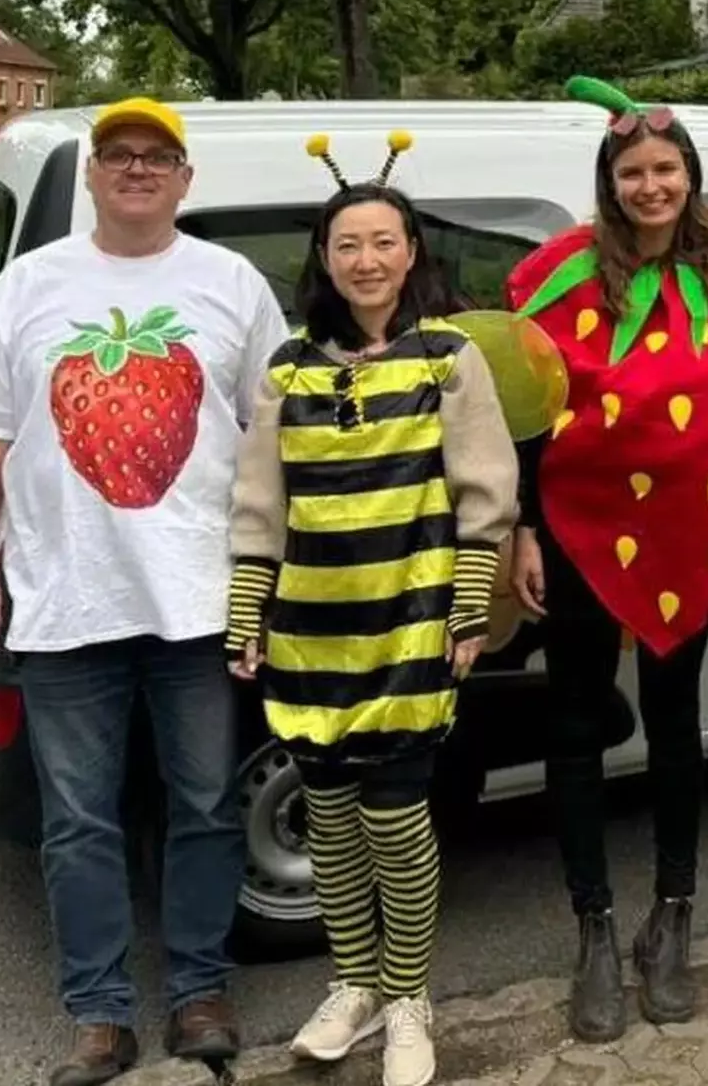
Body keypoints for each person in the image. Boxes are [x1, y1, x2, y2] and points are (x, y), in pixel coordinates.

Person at [0, 98, 289, 1086]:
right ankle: (99, 1014)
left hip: (200, 601)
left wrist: (274, 574)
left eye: (158, 157)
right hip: (63, 602)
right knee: (77, 818)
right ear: (93, 174)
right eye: (119, 154)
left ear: (185, 179)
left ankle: (199, 992)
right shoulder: (28, 287)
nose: (138, 169)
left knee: (207, 804)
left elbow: (271, 439)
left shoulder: (233, 285)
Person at [504, 77, 708, 1043]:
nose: (650, 185)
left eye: (666, 168)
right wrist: (523, 528)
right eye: (632, 171)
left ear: (691, 177)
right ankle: (591, 925)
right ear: (609, 181)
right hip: (580, 534)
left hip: (692, 537)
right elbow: (525, 415)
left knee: (677, 728)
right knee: (578, 726)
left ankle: (674, 916)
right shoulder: (560, 281)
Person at [224, 139, 519, 1086]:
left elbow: (486, 495)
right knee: (334, 821)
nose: (366, 260)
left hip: (409, 627)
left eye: (383, 241)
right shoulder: (289, 369)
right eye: (347, 243)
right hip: (312, 633)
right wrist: (247, 616)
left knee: (398, 823)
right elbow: (260, 504)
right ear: (325, 258)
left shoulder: (450, 358)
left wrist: (470, 612)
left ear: (411, 252)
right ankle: (353, 984)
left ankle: (408, 1001)